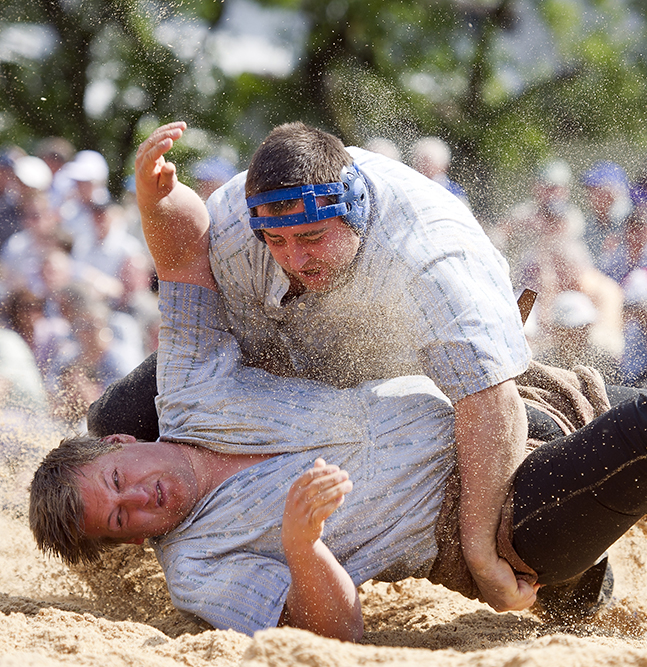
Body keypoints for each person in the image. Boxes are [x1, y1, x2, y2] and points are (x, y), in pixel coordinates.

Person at [30, 265, 647, 641]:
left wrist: (469, 343)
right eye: (121, 522)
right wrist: (301, 542)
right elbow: (338, 636)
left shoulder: (200, 394)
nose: (136, 502)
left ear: (121, 440)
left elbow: (200, 281)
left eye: (117, 481)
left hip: (515, 419)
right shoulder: (198, 561)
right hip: (491, 524)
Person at [87, 121, 536, 614]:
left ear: (353, 213)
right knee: (114, 419)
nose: (295, 259)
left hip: (399, 384)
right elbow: (185, 261)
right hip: (262, 363)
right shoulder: (239, 221)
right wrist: (158, 202)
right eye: (276, 241)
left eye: (312, 237)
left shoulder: (434, 263)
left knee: (527, 506)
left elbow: (490, 400)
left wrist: (479, 552)